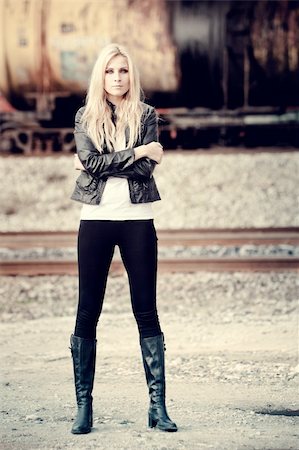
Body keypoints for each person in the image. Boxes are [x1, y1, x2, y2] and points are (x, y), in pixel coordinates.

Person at [70, 43, 177, 434]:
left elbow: (144, 171)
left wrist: (112, 160)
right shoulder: (85, 115)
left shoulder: (147, 114)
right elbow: (96, 163)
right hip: (96, 219)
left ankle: (157, 407)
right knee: (87, 312)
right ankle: (84, 407)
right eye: (110, 71)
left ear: (131, 75)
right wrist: (139, 151)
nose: (117, 77)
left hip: (137, 219)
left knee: (146, 311)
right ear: (101, 75)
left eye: (123, 71)